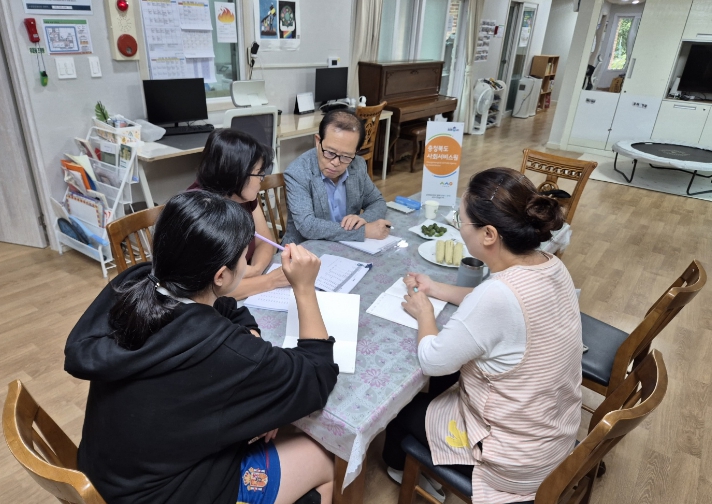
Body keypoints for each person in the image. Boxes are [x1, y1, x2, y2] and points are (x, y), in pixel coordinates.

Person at [65, 191, 339, 504]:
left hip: (111, 474)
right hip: (162, 494)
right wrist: (304, 288)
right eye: (243, 257)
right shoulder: (221, 349)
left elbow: (226, 306)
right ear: (221, 275)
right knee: (323, 456)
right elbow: (317, 374)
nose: (246, 262)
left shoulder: (138, 283)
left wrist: (249, 336)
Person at [382, 167, 583, 504]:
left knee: (400, 411)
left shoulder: (496, 296)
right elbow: (497, 308)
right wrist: (436, 288)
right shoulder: (549, 264)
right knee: (451, 381)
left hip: (513, 459)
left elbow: (432, 360)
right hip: (553, 430)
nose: (460, 228)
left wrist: (424, 312)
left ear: (489, 234)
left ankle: (404, 470)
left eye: (461, 221)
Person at [189, 128, 289, 300]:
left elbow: (265, 241)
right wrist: (270, 280)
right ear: (236, 174)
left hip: (247, 286)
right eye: (258, 173)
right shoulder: (199, 213)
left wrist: (255, 269)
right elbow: (208, 291)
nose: (262, 179)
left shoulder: (243, 196)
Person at [281, 109, 391, 245]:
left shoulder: (357, 165)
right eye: (330, 152)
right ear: (318, 141)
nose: (336, 162)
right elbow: (308, 226)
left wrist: (364, 219)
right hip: (305, 249)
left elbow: (377, 202)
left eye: (346, 156)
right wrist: (363, 231)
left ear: (356, 152)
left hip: (347, 246)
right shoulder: (298, 172)